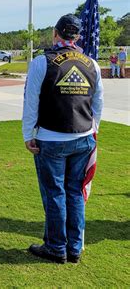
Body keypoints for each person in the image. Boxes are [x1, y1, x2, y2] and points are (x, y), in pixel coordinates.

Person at [22, 14, 103, 264]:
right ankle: (74, 248)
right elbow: (97, 103)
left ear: (56, 34)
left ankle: (57, 247)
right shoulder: (92, 64)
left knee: (55, 193)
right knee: (75, 193)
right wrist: (92, 129)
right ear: (76, 37)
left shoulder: (41, 62)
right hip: (83, 137)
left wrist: (28, 135)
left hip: (52, 138)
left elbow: (30, 101)